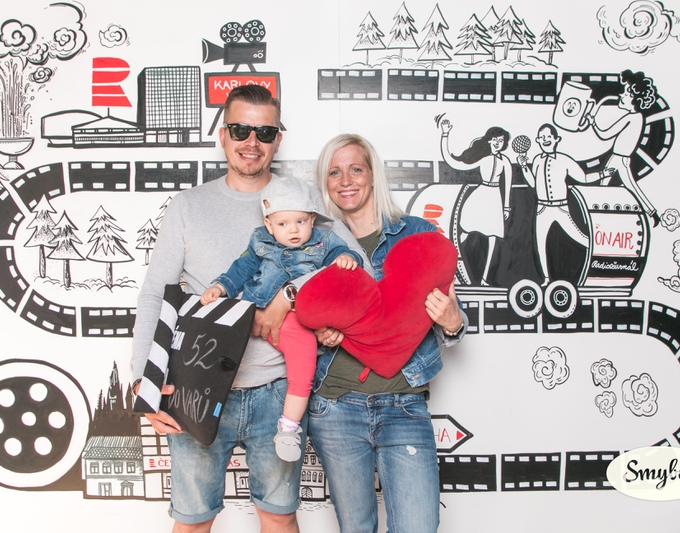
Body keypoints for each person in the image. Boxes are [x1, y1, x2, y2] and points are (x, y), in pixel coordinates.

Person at [131, 86, 366, 533]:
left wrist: (294, 296)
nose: (252, 141)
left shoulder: (302, 200)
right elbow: (155, 294)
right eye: (240, 129)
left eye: (265, 132)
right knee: (192, 521)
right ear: (223, 135)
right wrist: (145, 380)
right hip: (196, 384)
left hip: (278, 390)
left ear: (278, 139)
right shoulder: (188, 206)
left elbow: (357, 272)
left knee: (279, 518)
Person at [307, 133, 468, 533]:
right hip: (335, 408)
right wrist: (318, 334)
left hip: (404, 404)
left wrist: (452, 321)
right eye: (334, 172)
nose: (346, 180)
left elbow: (452, 317)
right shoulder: (313, 244)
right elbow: (296, 319)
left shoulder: (417, 234)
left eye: (355, 169)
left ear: (373, 174)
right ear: (324, 182)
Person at [200, 176, 362, 462]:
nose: (294, 230)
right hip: (254, 310)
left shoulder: (324, 241)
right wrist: (221, 287)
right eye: (283, 224)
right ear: (269, 224)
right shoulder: (260, 241)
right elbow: (241, 269)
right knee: (221, 343)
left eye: (301, 221)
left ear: (312, 218)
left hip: (299, 320)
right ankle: (202, 397)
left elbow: (346, 261)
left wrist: (347, 258)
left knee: (304, 365)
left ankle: (288, 428)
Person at [518, 124, 600, 286]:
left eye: (549, 137)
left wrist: (602, 174)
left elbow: (583, 178)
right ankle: (546, 279)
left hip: (561, 208)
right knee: (541, 244)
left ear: (556, 139)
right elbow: (533, 183)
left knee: (580, 238)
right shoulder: (537, 160)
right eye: (542, 137)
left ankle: (597, 261)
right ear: (538, 140)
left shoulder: (564, 160)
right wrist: (523, 166)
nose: (545, 140)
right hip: (542, 209)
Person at [439, 121, 513, 285]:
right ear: (489, 140)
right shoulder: (483, 159)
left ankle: (485, 278)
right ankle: (450, 269)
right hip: (479, 197)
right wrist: (445, 134)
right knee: (463, 231)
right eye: (495, 139)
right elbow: (454, 163)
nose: (498, 143)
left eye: (501, 140)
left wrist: (506, 206)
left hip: (495, 199)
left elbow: (507, 185)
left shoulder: (505, 162)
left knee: (493, 237)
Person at [589, 69, 661, 227]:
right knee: (613, 186)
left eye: (627, 93)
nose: (621, 95)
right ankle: (651, 213)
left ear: (635, 98)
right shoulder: (638, 117)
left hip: (620, 159)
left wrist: (593, 122)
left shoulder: (631, 118)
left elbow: (605, 134)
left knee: (612, 187)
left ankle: (601, 217)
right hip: (619, 158)